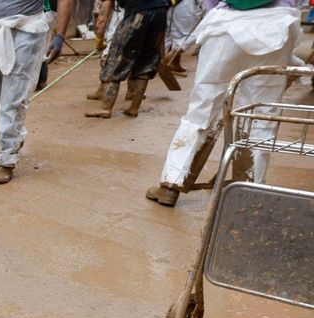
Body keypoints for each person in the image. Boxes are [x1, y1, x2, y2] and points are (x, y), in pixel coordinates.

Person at [146, 0, 301, 207]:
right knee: (260, 116)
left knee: (202, 109)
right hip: (277, 27)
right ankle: (249, 190)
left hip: (225, 27)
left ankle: (171, 184)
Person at [0, 0, 74, 185]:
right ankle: (13, 138)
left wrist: (60, 34)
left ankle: (7, 159)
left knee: (12, 97)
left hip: (27, 29)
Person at [85, 0, 170, 118]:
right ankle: (134, 108)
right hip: (161, 12)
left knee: (116, 59)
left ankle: (105, 108)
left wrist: (99, 33)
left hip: (137, 14)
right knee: (146, 63)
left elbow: (106, 4)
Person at [163, 0, 204, 72]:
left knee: (177, 36)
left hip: (172, 8)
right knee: (198, 32)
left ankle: (174, 63)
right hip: (185, 7)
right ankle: (171, 56)